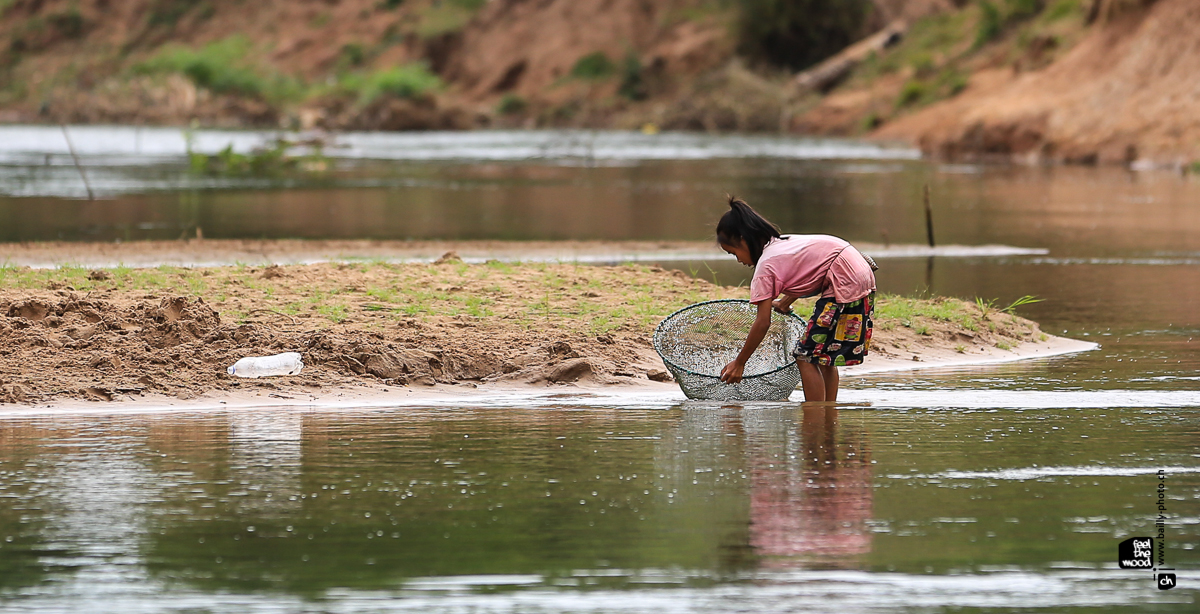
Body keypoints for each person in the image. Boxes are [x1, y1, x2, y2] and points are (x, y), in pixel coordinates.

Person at [716, 197, 876, 402]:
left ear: (743, 239)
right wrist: (784, 303)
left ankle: (815, 419)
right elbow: (809, 271)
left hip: (844, 281)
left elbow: (763, 322)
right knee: (824, 356)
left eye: (734, 253)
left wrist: (740, 362)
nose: (738, 260)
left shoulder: (766, 266)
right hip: (859, 271)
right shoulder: (783, 243)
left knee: (805, 356)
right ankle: (827, 417)